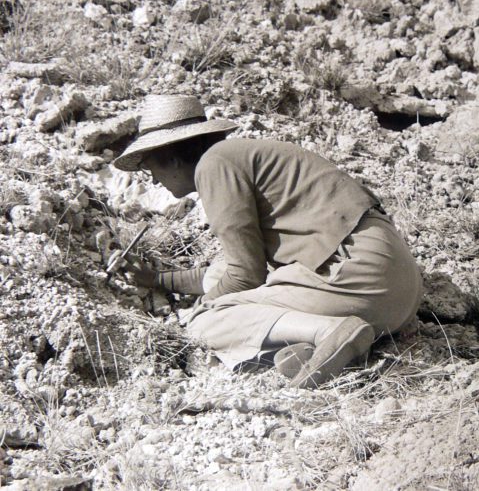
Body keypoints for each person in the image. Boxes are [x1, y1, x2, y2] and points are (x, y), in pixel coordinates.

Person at [111, 94, 423, 388]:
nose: (152, 179)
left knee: (204, 322)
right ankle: (312, 346)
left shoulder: (214, 165)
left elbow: (245, 275)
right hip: (398, 291)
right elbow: (228, 271)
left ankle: (329, 331)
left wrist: (201, 311)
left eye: (149, 168)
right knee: (231, 280)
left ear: (172, 158)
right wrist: (156, 280)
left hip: (358, 280)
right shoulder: (244, 157)